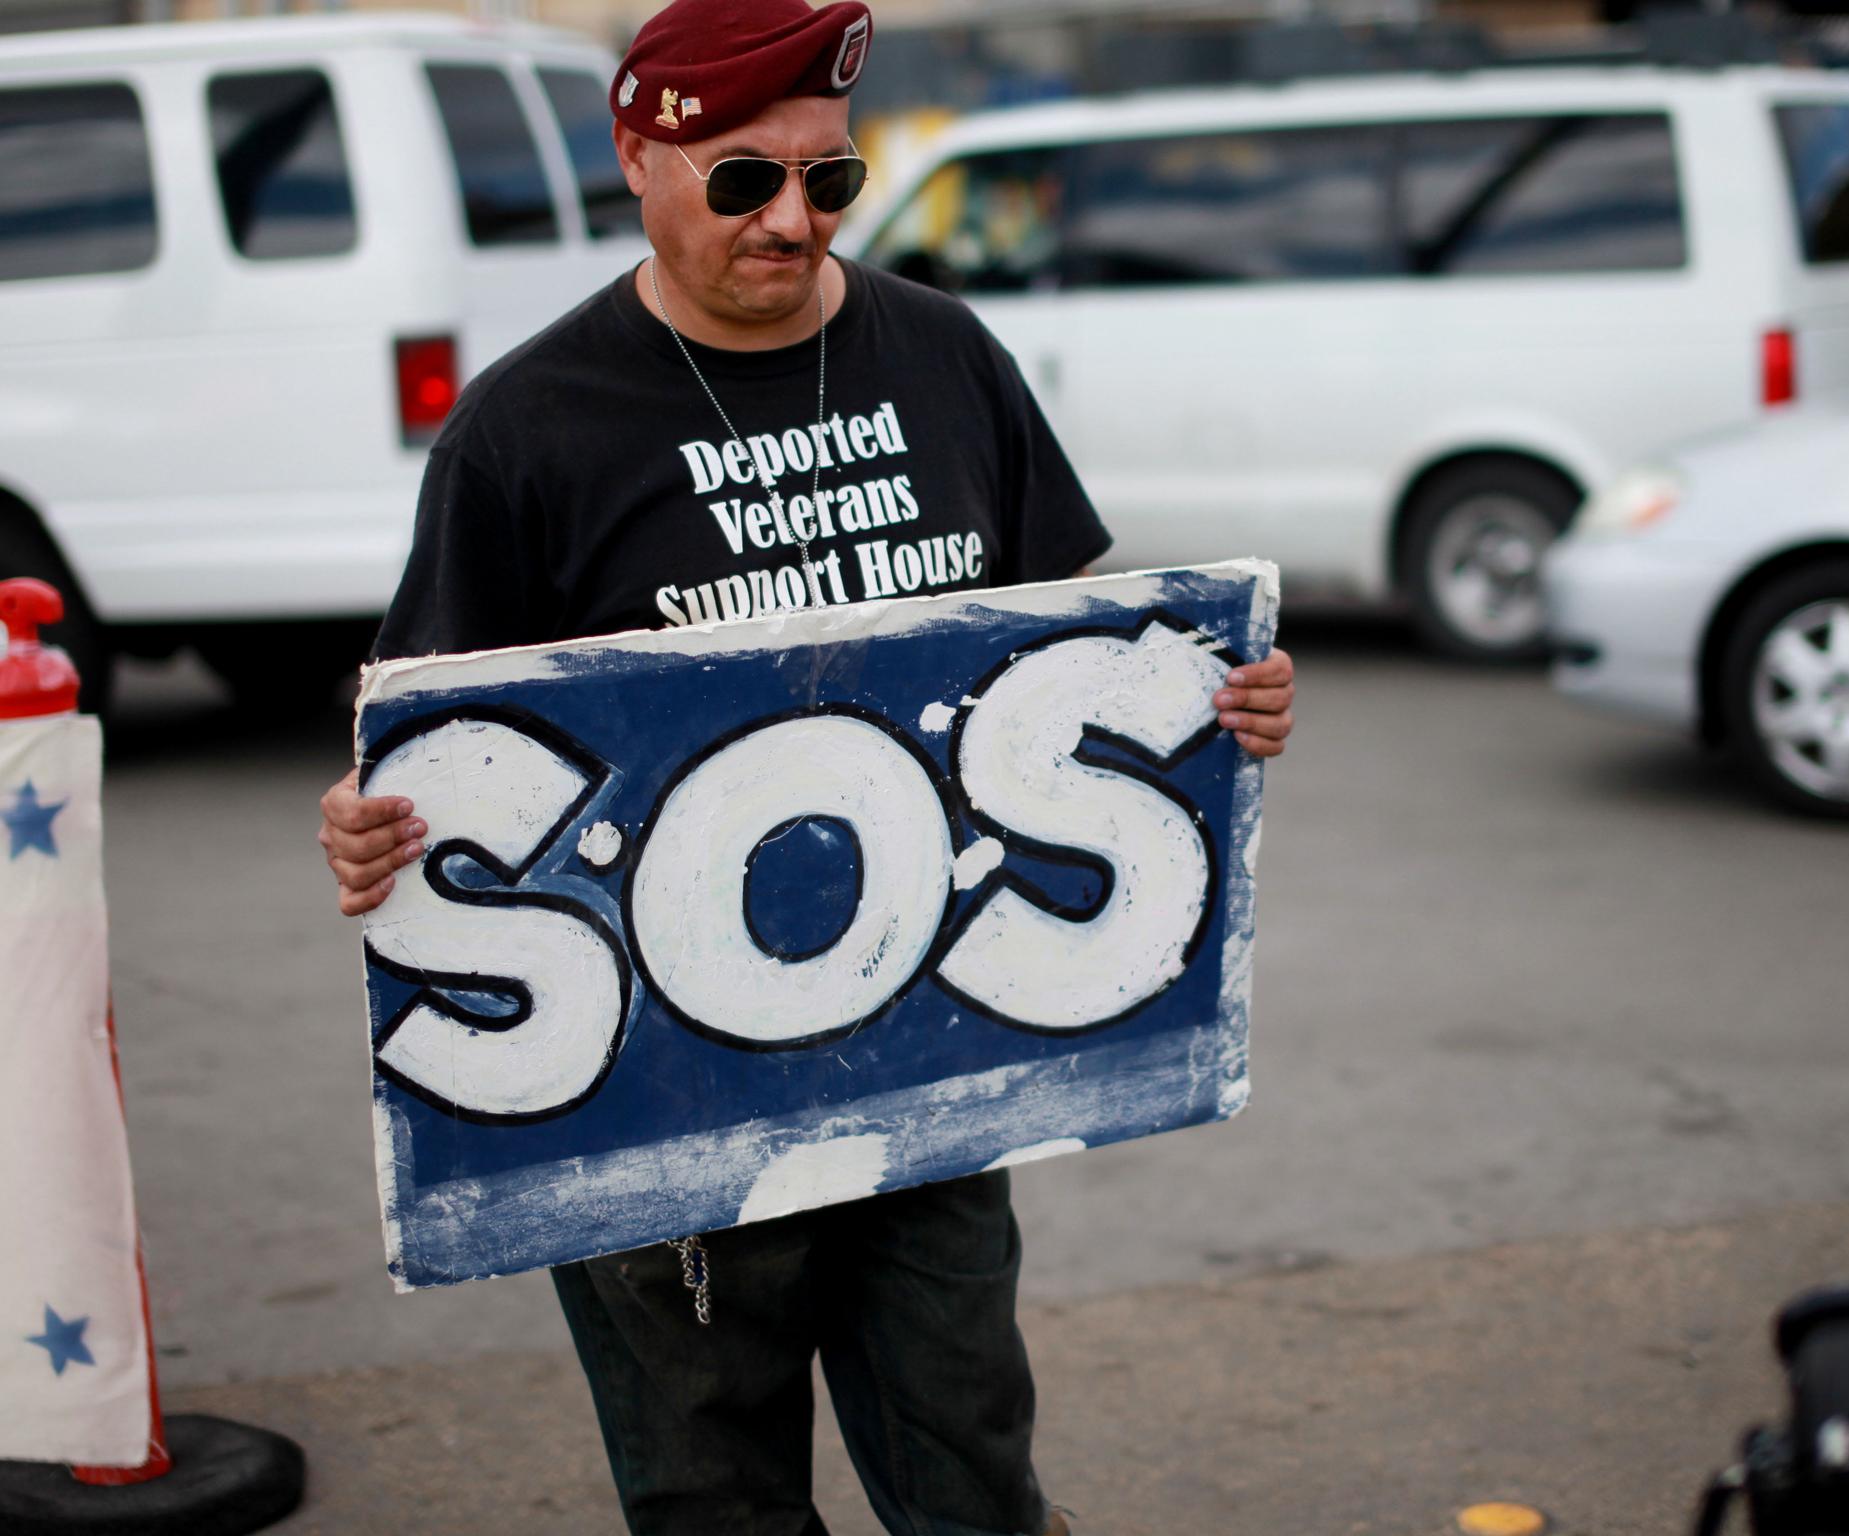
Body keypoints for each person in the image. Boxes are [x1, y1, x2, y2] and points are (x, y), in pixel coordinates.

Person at [316, 2, 1295, 1531]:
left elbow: (1066, 664)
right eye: (741, 182)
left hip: (937, 1060)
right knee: (715, 1498)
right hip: (655, 1106)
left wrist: (1212, 705)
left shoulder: (946, 355)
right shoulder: (525, 429)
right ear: (639, 157)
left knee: (972, 1472)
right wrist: (372, 834)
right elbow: (440, 761)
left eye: (828, 181)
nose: (791, 219)